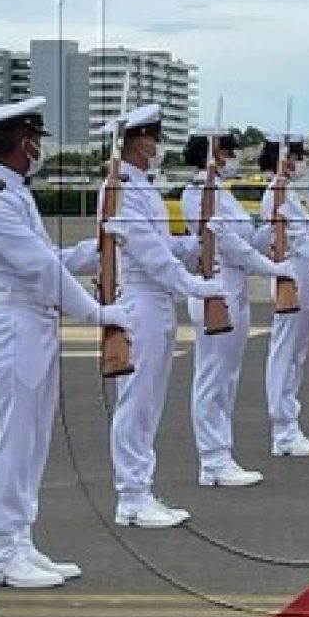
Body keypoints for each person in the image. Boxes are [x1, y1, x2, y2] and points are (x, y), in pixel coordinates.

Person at [0, 98, 131, 585]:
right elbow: (39, 268)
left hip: (38, 323)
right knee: (17, 441)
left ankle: (20, 540)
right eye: (36, 140)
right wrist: (96, 313)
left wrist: (101, 246)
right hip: (19, 323)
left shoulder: (15, 193)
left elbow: (54, 258)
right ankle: (2, 550)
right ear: (23, 142)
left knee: (35, 439)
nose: (40, 149)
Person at [104, 104, 226, 527]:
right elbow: (147, 253)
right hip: (141, 300)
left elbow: (162, 245)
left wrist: (194, 246)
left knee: (149, 402)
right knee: (136, 403)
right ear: (138, 141)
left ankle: (141, 488)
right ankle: (131, 496)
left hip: (157, 302)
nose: (157, 146)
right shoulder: (120, 187)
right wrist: (194, 286)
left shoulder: (142, 187)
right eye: (153, 138)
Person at [180, 127, 296, 487]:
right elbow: (229, 246)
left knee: (226, 378)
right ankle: (212, 459)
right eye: (227, 151)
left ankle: (221, 453)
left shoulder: (221, 195)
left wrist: (276, 229)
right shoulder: (198, 194)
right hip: (216, 287)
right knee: (212, 378)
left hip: (237, 288)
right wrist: (273, 269)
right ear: (212, 154)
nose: (231, 158)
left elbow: (249, 241)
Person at [259, 134, 309, 458]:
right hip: (292, 278)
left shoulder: (289, 195)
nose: (300, 162)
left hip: (306, 278)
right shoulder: (274, 196)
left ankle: (290, 423)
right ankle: (283, 428)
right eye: (295, 156)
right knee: (285, 352)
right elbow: (294, 242)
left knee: (297, 353)